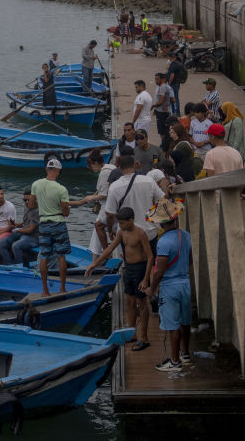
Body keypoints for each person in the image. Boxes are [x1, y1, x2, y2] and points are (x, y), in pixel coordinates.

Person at [86, 207, 154, 350]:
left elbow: (150, 257)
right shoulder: (121, 232)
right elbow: (110, 249)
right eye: (119, 223)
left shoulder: (140, 233)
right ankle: (131, 334)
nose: (121, 226)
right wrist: (94, 264)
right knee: (129, 301)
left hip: (140, 269)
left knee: (141, 303)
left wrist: (146, 279)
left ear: (131, 220)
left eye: (123, 223)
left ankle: (144, 338)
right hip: (128, 269)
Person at [32, 159, 100, 296]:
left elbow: (32, 205)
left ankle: (45, 291)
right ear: (58, 171)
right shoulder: (61, 189)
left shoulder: (36, 184)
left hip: (44, 222)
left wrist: (45, 208)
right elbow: (65, 212)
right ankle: (62, 288)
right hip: (58, 223)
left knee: (44, 256)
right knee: (61, 256)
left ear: (47, 169)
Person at [144, 200, 192, 372]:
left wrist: (152, 288)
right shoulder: (185, 235)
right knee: (185, 321)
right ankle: (185, 353)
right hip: (185, 282)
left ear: (161, 223)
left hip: (170, 286)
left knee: (172, 325)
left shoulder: (163, 242)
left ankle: (174, 361)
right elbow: (190, 260)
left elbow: (159, 271)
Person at [104, 154, 163, 255]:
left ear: (119, 168)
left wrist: (110, 230)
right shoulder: (149, 181)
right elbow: (162, 200)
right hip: (149, 231)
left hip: (128, 235)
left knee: (132, 265)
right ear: (134, 166)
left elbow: (110, 214)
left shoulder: (114, 187)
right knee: (151, 262)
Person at [0, 190, 40, 266]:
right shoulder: (26, 207)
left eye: (28, 200)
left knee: (16, 246)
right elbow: (26, 223)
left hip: (33, 237)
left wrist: (19, 230)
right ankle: (9, 264)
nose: (26, 202)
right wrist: (17, 225)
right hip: (23, 233)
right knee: (0, 243)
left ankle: (20, 267)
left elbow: (30, 230)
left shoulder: (37, 211)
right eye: (24, 200)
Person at [153, 73, 174, 140]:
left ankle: (165, 146)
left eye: (157, 79)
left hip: (164, 112)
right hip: (159, 111)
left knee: (165, 132)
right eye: (155, 79)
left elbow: (173, 100)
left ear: (163, 79)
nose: (156, 81)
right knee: (161, 132)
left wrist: (155, 105)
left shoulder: (168, 88)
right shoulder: (159, 87)